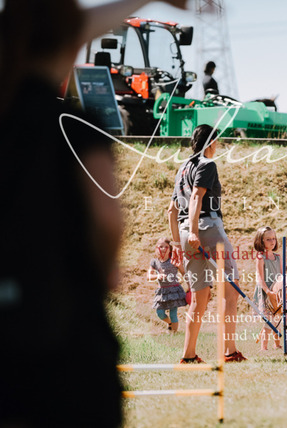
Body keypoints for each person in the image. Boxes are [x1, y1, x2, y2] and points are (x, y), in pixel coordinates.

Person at [0, 0, 185, 426]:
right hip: (66, 330)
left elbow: (48, 26)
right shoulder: (74, 123)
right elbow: (107, 220)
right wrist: (104, 270)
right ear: (72, 44)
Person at [168, 124, 246, 363]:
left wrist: (178, 243)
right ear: (211, 142)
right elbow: (196, 196)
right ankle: (229, 351)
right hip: (207, 228)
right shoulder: (207, 164)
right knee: (230, 289)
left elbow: (171, 210)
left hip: (185, 232)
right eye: (217, 141)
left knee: (199, 296)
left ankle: (189, 356)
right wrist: (194, 231)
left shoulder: (182, 169)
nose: (218, 145)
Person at [252, 226, 283, 350]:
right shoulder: (261, 258)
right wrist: (268, 292)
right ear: (261, 241)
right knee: (269, 320)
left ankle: (277, 344)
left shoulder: (278, 257)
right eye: (268, 239)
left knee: (278, 318)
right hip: (266, 292)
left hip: (277, 292)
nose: (272, 241)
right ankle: (263, 347)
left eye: (274, 238)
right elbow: (260, 278)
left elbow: (282, 276)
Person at [149, 237, 188, 332]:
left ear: (170, 249)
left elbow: (184, 273)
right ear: (156, 248)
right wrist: (157, 276)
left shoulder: (174, 260)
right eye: (160, 246)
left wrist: (189, 285)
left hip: (174, 291)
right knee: (160, 313)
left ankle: (173, 334)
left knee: (173, 314)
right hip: (162, 291)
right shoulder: (154, 262)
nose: (163, 249)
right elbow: (149, 276)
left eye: (166, 247)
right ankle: (169, 323)